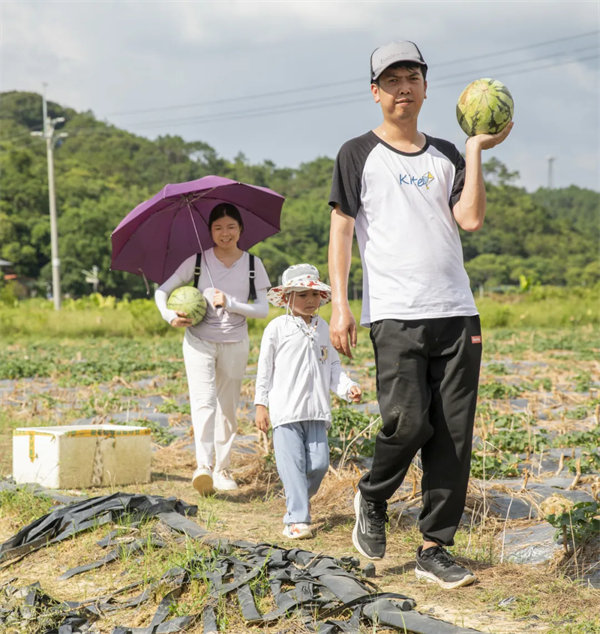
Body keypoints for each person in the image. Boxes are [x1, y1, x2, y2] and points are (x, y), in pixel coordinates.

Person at [327, 41, 512, 588]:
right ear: (375, 92)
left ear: (427, 87)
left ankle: (436, 547)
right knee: (408, 422)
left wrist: (476, 148)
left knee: (452, 437)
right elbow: (341, 231)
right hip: (394, 314)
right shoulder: (357, 153)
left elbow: (470, 219)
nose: (403, 87)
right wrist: (341, 305)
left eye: (412, 76)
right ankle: (373, 494)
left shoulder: (448, 156)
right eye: (391, 79)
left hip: (457, 313)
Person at [155, 203, 270, 495]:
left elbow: (263, 310)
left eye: (231, 227)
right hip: (198, 341)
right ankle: (203, 466)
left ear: (240, 230)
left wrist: (230, 303)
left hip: (235, 342)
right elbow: (162, 291)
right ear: (209, 232)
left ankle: (223, 468)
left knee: (228, 408)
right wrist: (170, 316)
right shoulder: (196, 262)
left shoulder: (253, 264)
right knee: (204, 402)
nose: (225, 233)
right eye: (218, 228)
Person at [254, 264, 362, 539]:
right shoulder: (277, 328)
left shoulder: (323, 328)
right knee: (291, 466)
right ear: (287, 297)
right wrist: (261, 405)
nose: (310, 301)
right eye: (302, 295)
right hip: (285, 412)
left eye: (314, 295)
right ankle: (296, 519)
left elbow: (333, 368)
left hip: (316, 411)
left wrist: (347, 387)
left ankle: (296, 496)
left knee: (319, 464)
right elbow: (264, 369)